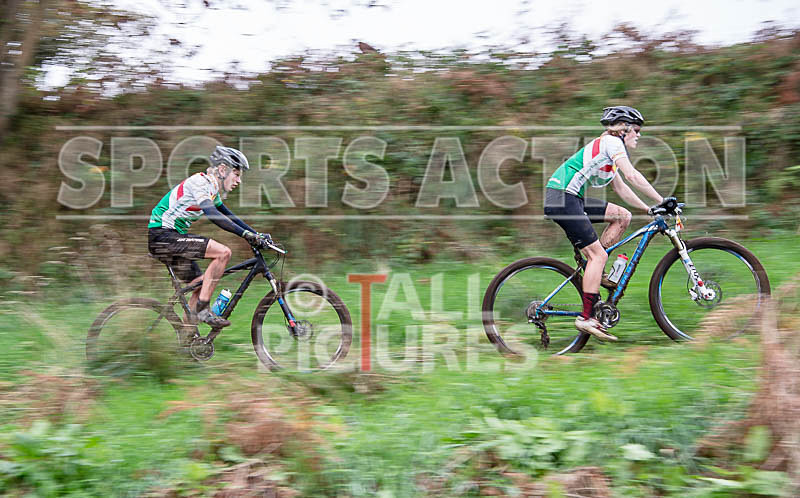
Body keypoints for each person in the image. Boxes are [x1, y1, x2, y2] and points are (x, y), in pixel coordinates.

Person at [543, 106, 665, 341]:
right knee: (597, 255)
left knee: (623, 216)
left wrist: (649, 208)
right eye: (636, 130)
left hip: (569, 197)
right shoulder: (612, 143)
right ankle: (587, 317)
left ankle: (595, 273)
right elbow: (632, 175)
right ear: (624, 128)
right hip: (563, 198)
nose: (639, 135)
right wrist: (662, 200)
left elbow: (621, 187)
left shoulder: (610, 149)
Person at [148, 145, 271, 328]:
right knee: (223, 253)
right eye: (236, 174)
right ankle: (204, 309)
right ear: (222, 169)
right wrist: (245, 234)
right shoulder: (200, 183)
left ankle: (187, 340)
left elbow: (229, 216)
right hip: (163, 236)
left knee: (199, 286)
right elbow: (212, 213)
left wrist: (255, 235)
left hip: (172, 238)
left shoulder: (213, 190)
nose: (239, 180)